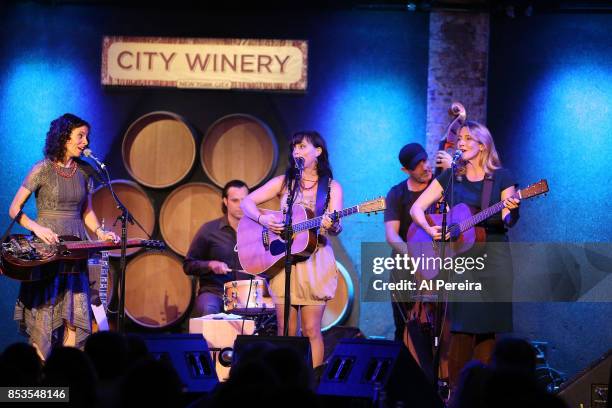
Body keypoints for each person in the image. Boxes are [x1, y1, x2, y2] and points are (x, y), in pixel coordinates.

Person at [410, 120, 520, 390]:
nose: (461, 142)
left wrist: (512, 209)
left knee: (487, 332)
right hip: (461, 260)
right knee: (460, 329)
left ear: (482, 145)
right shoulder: (451, 178)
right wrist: (432, 229)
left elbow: (507, 219)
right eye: (459, 138)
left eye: (468, 138)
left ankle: (483, 396)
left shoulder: (502, 177)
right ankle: (458, 395)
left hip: (493, 259)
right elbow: (416, 208)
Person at [8, 113, 118, 359]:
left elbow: (87, 210)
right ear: (63, 137)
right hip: (48, 247)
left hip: (76, 246)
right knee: (45, 315)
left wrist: (100, 232)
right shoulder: (42, 169)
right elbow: (14, 209)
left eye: (87, 137)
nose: (85, 142)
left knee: (74, 314)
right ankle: (41, 385)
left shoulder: (84, 172)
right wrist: (37, 228)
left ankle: (68, 378)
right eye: (80, 136)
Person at [240, 131, 342, 368]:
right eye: (294, 147)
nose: (296, 151)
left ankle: (312, 385)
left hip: (315, 261)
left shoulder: (332, 187)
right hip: (284, 260)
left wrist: (333, 223)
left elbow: (337, 227)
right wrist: (263, 220)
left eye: (302, 146)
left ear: (318, 151)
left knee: (310, 329)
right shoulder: (285, 182)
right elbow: (247, 202)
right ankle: (284, 384)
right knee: (285, 329)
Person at [183, 179, 252, 316]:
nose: (240, 205)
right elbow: (188, 265)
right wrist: (210, 264)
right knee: (209, 309)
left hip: (247, 294)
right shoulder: (209, 230)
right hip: (216, 292)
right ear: (225, 201)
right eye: (235, 200)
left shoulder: (256, 231)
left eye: (243, 200)